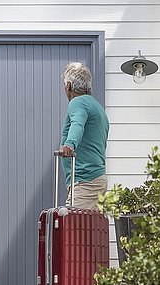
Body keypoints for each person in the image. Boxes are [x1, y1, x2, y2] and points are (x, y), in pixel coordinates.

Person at [59, 62, 109, 209]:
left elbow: (77, 124)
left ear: (68, 85)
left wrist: (69, 144)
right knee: (91, 230)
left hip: (85, 182)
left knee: (71, 228)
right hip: (96, 180)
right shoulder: (97, 107)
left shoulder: (78, 103)